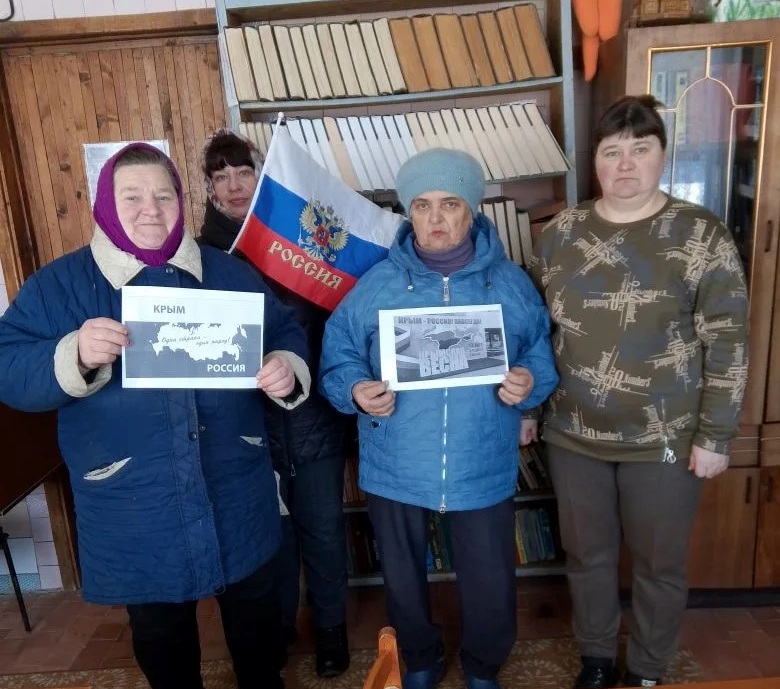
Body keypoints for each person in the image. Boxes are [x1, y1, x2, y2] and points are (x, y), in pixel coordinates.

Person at [0, 142, 312, 689]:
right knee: (160, 628)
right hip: (135, 498)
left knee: (257, 617)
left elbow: (284, 330)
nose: (151, 210)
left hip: (234, 484)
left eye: (164, 196)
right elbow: (8, 366)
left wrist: (286, 366)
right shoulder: (59, 285)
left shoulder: (228, 273)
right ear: (104, 204)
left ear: (181, 201)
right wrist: (73, 354)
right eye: (132, 197)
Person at [527, 95, 749, 689]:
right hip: (573, 435)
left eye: (640, 149)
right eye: (611, 151)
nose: (625, 164)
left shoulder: (701, 234)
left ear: (662, 156)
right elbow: (535, 330)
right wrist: (529, 408)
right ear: (594, 160)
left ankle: (647, 668)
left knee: (659, 564)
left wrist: (716, 436)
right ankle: (597, 659)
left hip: (665, 439)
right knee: (587, 559)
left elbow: (728, 340)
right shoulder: (560, 234)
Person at [319, 147, 559, 689]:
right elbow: (339, 354)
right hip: (396, 457)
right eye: (421, 205)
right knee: (402, 574)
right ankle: (420, 659)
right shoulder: (377, 284)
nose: (435, 218)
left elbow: (540, 353)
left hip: (481, 456)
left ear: (472, 210)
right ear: (408, 212)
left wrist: (529, 380)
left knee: (489, 573)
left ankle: (483, 665)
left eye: (449, 203)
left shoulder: (511, 283)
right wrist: (356, 390)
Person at [198, 129, 350, 677]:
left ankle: (332, 630)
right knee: (269, 538)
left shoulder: (302, 241)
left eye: (244, 172)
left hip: (312, 419)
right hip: (245, 428)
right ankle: (279, 628)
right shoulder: (199, 259)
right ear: (209, 188)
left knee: (324, 531)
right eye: (222, 176)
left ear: (262, 177)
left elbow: (334, 325)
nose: (235, 185)